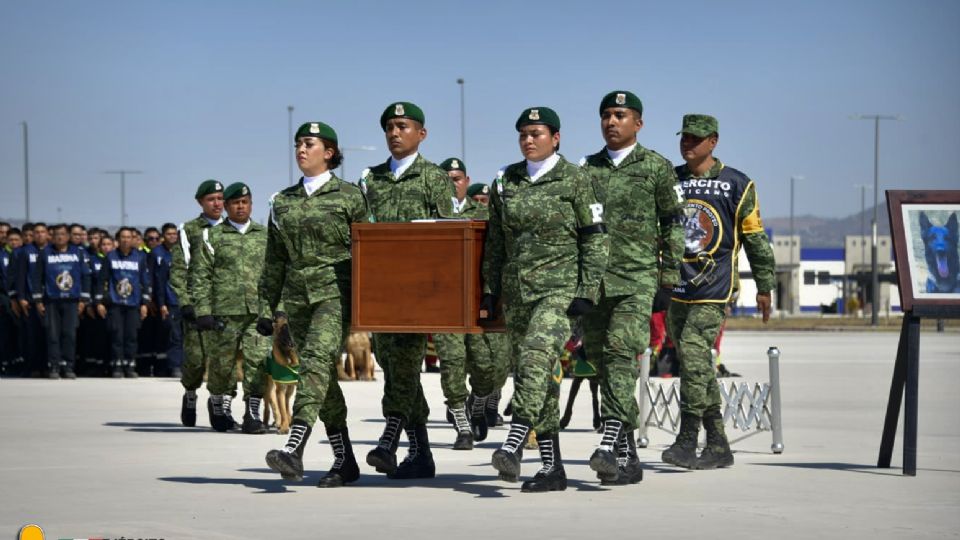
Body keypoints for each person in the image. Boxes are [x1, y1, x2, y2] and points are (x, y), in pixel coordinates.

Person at [482, 106, 609, 492]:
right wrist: (490, 291)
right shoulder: (506, 180)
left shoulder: (576, 180)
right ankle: (552, 469)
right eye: (523, 134)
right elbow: (496, 244)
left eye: (536, 133)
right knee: (538, 378)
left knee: (536, 359)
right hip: (518, 293)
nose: (528, 140)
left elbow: (596, 237)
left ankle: (515, 440)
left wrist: (587, 291)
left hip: (559, 292)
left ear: (556, 138)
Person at [578, 90, 686, 485]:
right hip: (595, 285)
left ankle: (608, 442)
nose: (611, 122)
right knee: (601, 364)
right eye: (606, 115)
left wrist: (668, 279)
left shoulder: (656, 167)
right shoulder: (585, 168)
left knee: (621, 358)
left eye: (620, 115)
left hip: (636, 281)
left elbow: (675, 224)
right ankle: (628, 458)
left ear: (637, 123)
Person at [662, 114, 776, 470]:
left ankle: (686, 438)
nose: (687, 144)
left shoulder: (737, 184)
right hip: (676, 287)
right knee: (694, 366)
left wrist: (765, 285)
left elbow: (755, 238)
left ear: (713, 141)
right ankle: (718, 444)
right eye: (684, 138)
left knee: (695, 354)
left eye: (696, 139)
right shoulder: (671, 180)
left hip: (715, 287)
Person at [260, 121, 369, 487]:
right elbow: (274, 259)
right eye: (298, 144)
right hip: (297, 298)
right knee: (320, 378)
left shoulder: (350, 196)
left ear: (330, 153)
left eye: (309, 143)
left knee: (318, 364)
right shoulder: (281, 201)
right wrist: (266, 307)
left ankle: (295, 446)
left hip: (335, 295)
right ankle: (345, 460)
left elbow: (367, 251)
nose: (301, 150)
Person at [360, 102, 454, 480]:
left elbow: (447, 235)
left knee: (403, 366)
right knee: (397, 369)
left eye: (402, 126)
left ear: (421, 133)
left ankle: (389, 438)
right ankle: (421, 453)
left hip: (419, 295)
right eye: (389, 127)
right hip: (382, 294)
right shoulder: (372, 178)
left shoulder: (434, 177)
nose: (395, 133)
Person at [432, 158, 511, 451]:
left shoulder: (483, 213)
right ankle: (462, 424)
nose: (453, 183)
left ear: (467, 180)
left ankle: (477, 402)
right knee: (451, 363)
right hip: (443, 303)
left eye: (458, 178)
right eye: (447, 178)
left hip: (477, 301)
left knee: (489, 366)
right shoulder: (430, 213)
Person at [192, 182, 270, 432]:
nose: (240, 207)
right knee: (221, 365)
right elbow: (200, 276)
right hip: (223, 312)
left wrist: (273, 310)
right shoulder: (212, 236)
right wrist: (202, 311)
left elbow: (274, 275)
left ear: (250, 204)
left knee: (257, 362)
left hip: (256, 313)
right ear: (226, 206)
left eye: (245, 202)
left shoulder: (265, 235)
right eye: (235, 203)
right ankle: (219, 404)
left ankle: (252, 412)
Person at [171, 180, 224, 425]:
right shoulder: (189, 229)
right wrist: (185, 302)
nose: (217, 203)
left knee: (222, 361)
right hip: (196, 305)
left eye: (220, 198)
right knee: (194, 359)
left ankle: (218, 404)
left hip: (224, 305)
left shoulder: (230, 228)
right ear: (200, 202)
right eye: (211, 199)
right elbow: (179, 269)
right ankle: (190, 394)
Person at [31, 224, 92, 379]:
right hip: (51, 300)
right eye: (57, 234)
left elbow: (86, 276)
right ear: (52, 236)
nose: (60, 237)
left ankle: (68, 366)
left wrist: (84, 299)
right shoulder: (45, 253)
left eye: (63, 234)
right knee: (53, 335)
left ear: (68, 236)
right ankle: (54, 366)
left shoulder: (77, 253)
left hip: (72, 301)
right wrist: (38, 300)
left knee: (69, 334)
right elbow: (37, 278)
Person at [95, 227, 151, 378]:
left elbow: (145, 282)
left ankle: (130, 365)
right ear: (118, 240)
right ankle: (117, 365)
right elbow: (102, 281)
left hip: (133, 304)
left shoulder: (140, 257)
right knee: (117, 335)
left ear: (133, 239)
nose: (126, 240)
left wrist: (145, 303)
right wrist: (99, 302)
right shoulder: (110, 257)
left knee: (131, 336)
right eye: (123, 237)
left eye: (129, 237)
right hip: (115, 303)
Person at [14, 222, 50, 376]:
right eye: (37, 232)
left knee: (50, 335)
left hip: (50, 300)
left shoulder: (52, 251)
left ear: (48, 234)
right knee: (32, 336)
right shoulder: (26, 252)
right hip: (30, 300)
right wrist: (20, 297)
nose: (39, 235)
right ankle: (34, 367)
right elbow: (20, 276)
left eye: (43, 232)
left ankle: (48, 365)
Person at [153, 223, 183, 377]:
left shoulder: (183, 253)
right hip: (170, 301)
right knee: (174, 335)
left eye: (174, 234)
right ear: (163, 236)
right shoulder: (158, 254)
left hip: (185, 301)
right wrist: (161, 303)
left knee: (185, 335)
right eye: (169, 234)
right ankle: (175, 366)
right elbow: (159, 282)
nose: (172, 236)